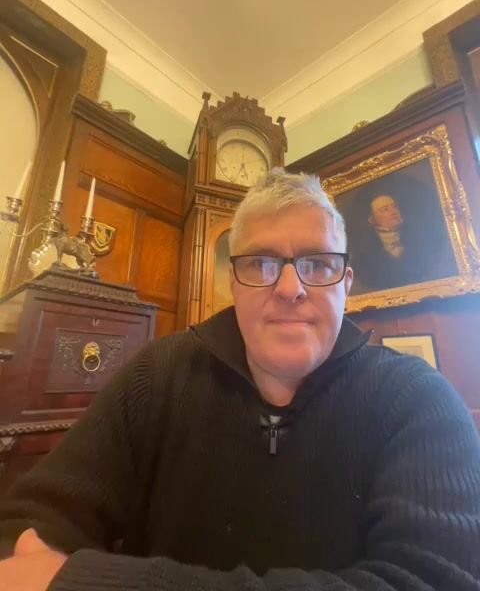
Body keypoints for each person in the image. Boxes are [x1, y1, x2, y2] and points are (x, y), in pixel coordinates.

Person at [0, 169, 479, 591]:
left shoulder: (419, 401)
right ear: (233, 282)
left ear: (345, 284)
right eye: (263, 264)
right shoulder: (157, 375)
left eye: (317, 265)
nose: (290, 289)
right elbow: (28, 528)